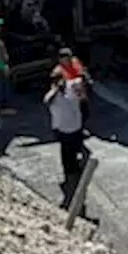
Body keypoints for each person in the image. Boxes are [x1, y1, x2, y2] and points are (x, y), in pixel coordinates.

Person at [44, 76, 86, 208]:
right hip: (73, 127)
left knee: (67, 153)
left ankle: (70, 172)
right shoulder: (71, 93)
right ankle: (74, 170)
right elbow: (81, 92)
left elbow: (47, 100)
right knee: (72, 151)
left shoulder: (56, 100)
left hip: (64, 129)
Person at [51, 46, 92, 127]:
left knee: (84, 110)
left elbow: (82, 72)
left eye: (68, 57)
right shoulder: (58, 70)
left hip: (79, 91)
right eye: (64, 58)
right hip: (68, 94)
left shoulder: (75, 62)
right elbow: (55, 81)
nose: (67, 60)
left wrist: (86, 78)